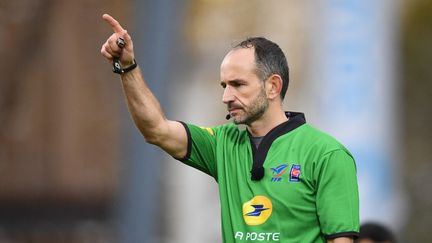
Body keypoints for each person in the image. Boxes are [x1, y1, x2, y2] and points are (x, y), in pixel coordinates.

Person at [100, 13, 360, 243]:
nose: (226, 97)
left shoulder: (327, 155)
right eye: (224, 86)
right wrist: (127, 67)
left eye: (238, 84)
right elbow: (156, 129)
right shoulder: (222, 143)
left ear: (273, 86)